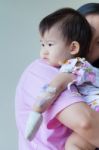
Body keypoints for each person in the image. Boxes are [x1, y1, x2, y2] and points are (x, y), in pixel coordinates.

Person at [15, 5, 99, 150]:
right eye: (87, 35)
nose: (90, 46)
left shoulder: (88, 74)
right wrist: (37, 111)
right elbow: (85, 123)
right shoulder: (42, 70)